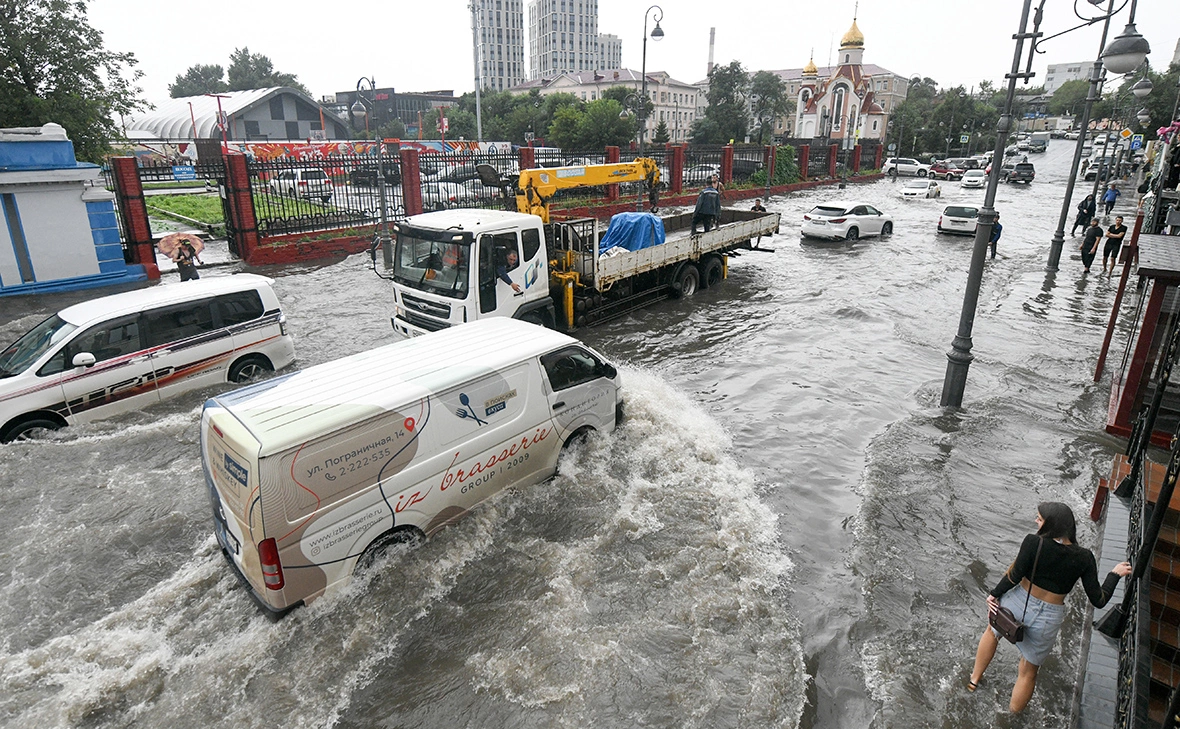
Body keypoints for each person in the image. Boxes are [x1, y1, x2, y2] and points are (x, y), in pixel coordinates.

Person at [968, 503, 1131, 713]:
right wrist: (1114, 574)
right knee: (1028, 671)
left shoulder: (1033, 542)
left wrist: (994, 594)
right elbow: (1099, 600)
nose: (1036, 521)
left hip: (1018, 601)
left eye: (1039, 518)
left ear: (1051, 524)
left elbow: (1015, 575)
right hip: (1048, 617)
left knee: (992, 632)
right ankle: (1011, 718)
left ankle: (973, 681)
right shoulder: (1084, 557)